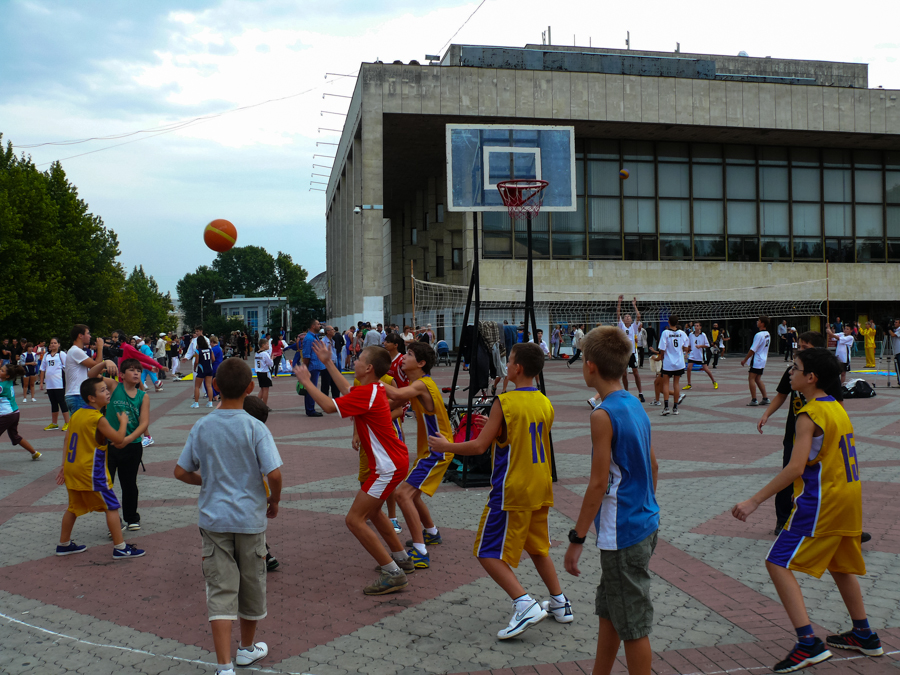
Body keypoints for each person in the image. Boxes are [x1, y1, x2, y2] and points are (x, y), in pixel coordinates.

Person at [733, 348, 882, 673]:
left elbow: (795, 468)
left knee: (776, 562)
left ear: (810, 377)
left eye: (795, 367)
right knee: (840, 566)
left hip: (822, 501)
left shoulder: (809, 414)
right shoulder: (836, 407)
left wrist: (754, 500)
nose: (790, 372)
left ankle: (808, 643)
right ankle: (864, 634)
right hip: (848, 498)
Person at [429, 343, 573, 639]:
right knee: (537, 548)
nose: (506, 365)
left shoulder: (504, 402)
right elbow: (519, 436)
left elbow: (478, 446)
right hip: (540, 486)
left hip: (512, 490)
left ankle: (524, 604)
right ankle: (559, 603)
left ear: (518, 368)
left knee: (487, 551)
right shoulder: (545, 402)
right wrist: (493, 429)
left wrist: (446, 446)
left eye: (509, 361)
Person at [175, 358, 283, 675]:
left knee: (221, 591)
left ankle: (224, 667)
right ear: (250, 388)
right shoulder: (256, 427)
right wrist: (274, 501)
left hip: (213, 520)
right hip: (249, 519)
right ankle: (247, 649)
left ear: (216, 386)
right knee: (251, 587)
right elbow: (274, 474)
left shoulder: (203, 426)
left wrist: (206, 480)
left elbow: (181, 471)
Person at [565, 326, 659, 675]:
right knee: (611, 611)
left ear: (589, 366)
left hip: (623, 533)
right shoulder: (634, 403)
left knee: (633, 625)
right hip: (645, 523)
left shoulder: (602, 415)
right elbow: (653, 465)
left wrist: (577, 539)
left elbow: (597, 484)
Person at [295, 343, 414, 595]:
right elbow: (347, 389)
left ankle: (393, 573)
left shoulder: (369, 391)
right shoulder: (373, 388)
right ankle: (401, 559)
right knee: (373, 513)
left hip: (388, 467)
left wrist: (307, 382)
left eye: (359, 359)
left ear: (368, 368)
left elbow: (328, 406)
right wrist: (328, 362)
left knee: (353, 520)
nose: (355, 362)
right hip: (393, 462)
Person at [55, 376, 145, 560]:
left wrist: (63, 465)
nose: (108, 392)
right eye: (103, 390)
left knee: (73, 507)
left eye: (107, 389)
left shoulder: (77, 414)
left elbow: (67, 440)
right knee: (111, 506)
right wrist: (123, 422)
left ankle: (63, 544)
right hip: (91, 471)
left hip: (73, 468)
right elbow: (119, 439)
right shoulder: (98, 418)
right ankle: (120, 548)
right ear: (92, 398)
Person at [383, 341, 455, 570]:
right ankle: (431, 533)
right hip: (431, 450)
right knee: (412, 495)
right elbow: (394, 401)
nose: (404, 357)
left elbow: (393, 392)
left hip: (437, 451)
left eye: (410, 354)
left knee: (402, 495)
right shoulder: (418, 384)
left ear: (421, 363)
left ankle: (420, 552)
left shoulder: (423, 384)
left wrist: (371, 377)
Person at [104, 359, 150, 532]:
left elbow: (143, 423)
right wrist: (104, 363)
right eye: (131, 370)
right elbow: (90, 376)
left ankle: (131, 518)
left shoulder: (143, 396)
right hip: (109, 445)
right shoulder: (114, 387)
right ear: (121, 375)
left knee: (129, 484)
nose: (136, 373)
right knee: (107, 485)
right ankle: (114, 523)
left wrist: (127, 440)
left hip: (132, 445)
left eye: (138, 370)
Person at [241, 395, 281, 572]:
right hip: (256, 491)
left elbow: (274, 474)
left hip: (240, 493)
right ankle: (263, 553)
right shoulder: (259, 434)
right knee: (253, 524)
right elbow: (273, 473)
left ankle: (263, 553)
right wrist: (275, 499)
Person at [64, 325, 119, 414]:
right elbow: (96, 365)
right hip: (77, 394)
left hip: (75, 394)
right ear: (80, 335)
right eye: (88, 333)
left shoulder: (77, 351)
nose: (90, 336)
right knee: (82, 426)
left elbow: (96, 370)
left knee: (79, 425)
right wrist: (100, 348)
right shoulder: (75, 351)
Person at [1, 364, 42, 460]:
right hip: (15, 413)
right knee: (15, 436)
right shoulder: (8, 381)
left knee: (15, 436)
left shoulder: (2, 386)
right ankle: (34, 453)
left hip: (7, 415)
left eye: (2, 371)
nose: (0, 371)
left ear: (7, 376)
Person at [657, 316, 689, 416]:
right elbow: (686, 347)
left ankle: (666, 407)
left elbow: (662, 348)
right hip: (679, 363)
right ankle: (675, 408)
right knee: (676, 384)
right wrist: (681, 352)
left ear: (669, 322)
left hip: (668, 363)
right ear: (677, 322)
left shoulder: (666, 333)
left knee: (666, 384)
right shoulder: (682, 333)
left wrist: (661, 357)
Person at [616, 296, 645, 402]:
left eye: (629, 316)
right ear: (623, 320)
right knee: (624, 374)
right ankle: (626, 392)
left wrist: (634, 305)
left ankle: (640, 393)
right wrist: (619, 302)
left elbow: (638, 315)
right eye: (626, 317)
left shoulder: (634, 327)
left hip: (632, 353)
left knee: (636, 372)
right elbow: (618, 314)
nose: (627, 317)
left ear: (631, 320)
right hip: (623, 354)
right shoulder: (621, 326)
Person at [39, 338, 69, 431]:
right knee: (53, 403)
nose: (53, 344)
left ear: (59, 344)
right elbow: (42, 369)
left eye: (55, 343)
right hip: (50, 383)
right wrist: (41, 382)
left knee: (62, 402)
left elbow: (67, 367)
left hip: (59, 383)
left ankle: (68, 422)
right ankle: (54, 423)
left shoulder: (61, 354)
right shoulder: (46, 356)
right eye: (51, 343)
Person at [741, 316, 772, 406]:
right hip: (763, 359)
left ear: (762, 323)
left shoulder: (758, 335)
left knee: (751, 378)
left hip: (757, 359)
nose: (757, 322)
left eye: (759, 321)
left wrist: (745, 360)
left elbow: (753, 349)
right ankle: (765, 398)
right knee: (758, 379)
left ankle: (754, 399)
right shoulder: (767, 334)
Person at [682, 322, 717, 391]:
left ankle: (714, 381)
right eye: (695, 326)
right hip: (692, 354)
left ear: (700, 327)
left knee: (706, 369)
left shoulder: (703, 335)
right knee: (689, 368)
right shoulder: (691, 334)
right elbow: (689, 345)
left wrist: (700, 346)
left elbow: (707, 345)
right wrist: (686, 353)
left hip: (701, 355)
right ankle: (689, 384)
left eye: (697, 326)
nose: (696, 327)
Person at [301, 319, 325, 417]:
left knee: (312, 388)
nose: (320, 326)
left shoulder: (314, 337)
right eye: (318, 324)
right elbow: (306, 355)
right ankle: (310, 409)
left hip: (315, 366)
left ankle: (310, 408)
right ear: (313, 326)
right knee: (311, 388)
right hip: (312, 367)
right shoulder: (309, 338)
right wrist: (305, 369)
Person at [190, 335, 215, 408]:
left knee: (197, 386)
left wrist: (195, 367)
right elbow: (213, 359)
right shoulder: (210, 350)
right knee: (209, 386)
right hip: (209, 369)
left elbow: (196, 361)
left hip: (201, 369)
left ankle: (196, 403)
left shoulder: (198, 351)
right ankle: (210, 402)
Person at [318, 326, 342, 399]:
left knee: (335, 384)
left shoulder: (332, 341)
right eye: (332, 330)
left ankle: (336, 401)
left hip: (333, 364)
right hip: (326, 366)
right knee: (325, 385)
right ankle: (325, 402)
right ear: (327, 332)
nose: (334, 331)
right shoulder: (323, 341)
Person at [254, 338, 274, 408]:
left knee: (262, 389)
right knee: (266, 390)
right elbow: (270, 364)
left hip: (259, 372)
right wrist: (272, 358)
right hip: (265, 372)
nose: (268, 346)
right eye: (267, 344)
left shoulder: (257, 353)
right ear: (263, 345)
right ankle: (264, 405)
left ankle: (256, 404)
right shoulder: (265, 354)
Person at [889, 319, 900, 386]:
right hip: (896, 351)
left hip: (899, 351)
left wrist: (888, 329)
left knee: (899, 367)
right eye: (894, 322)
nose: (895, 323)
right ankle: (899, 381)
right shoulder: (896, 330)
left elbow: (893, 335)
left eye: (896, 322)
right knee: (897, 368)